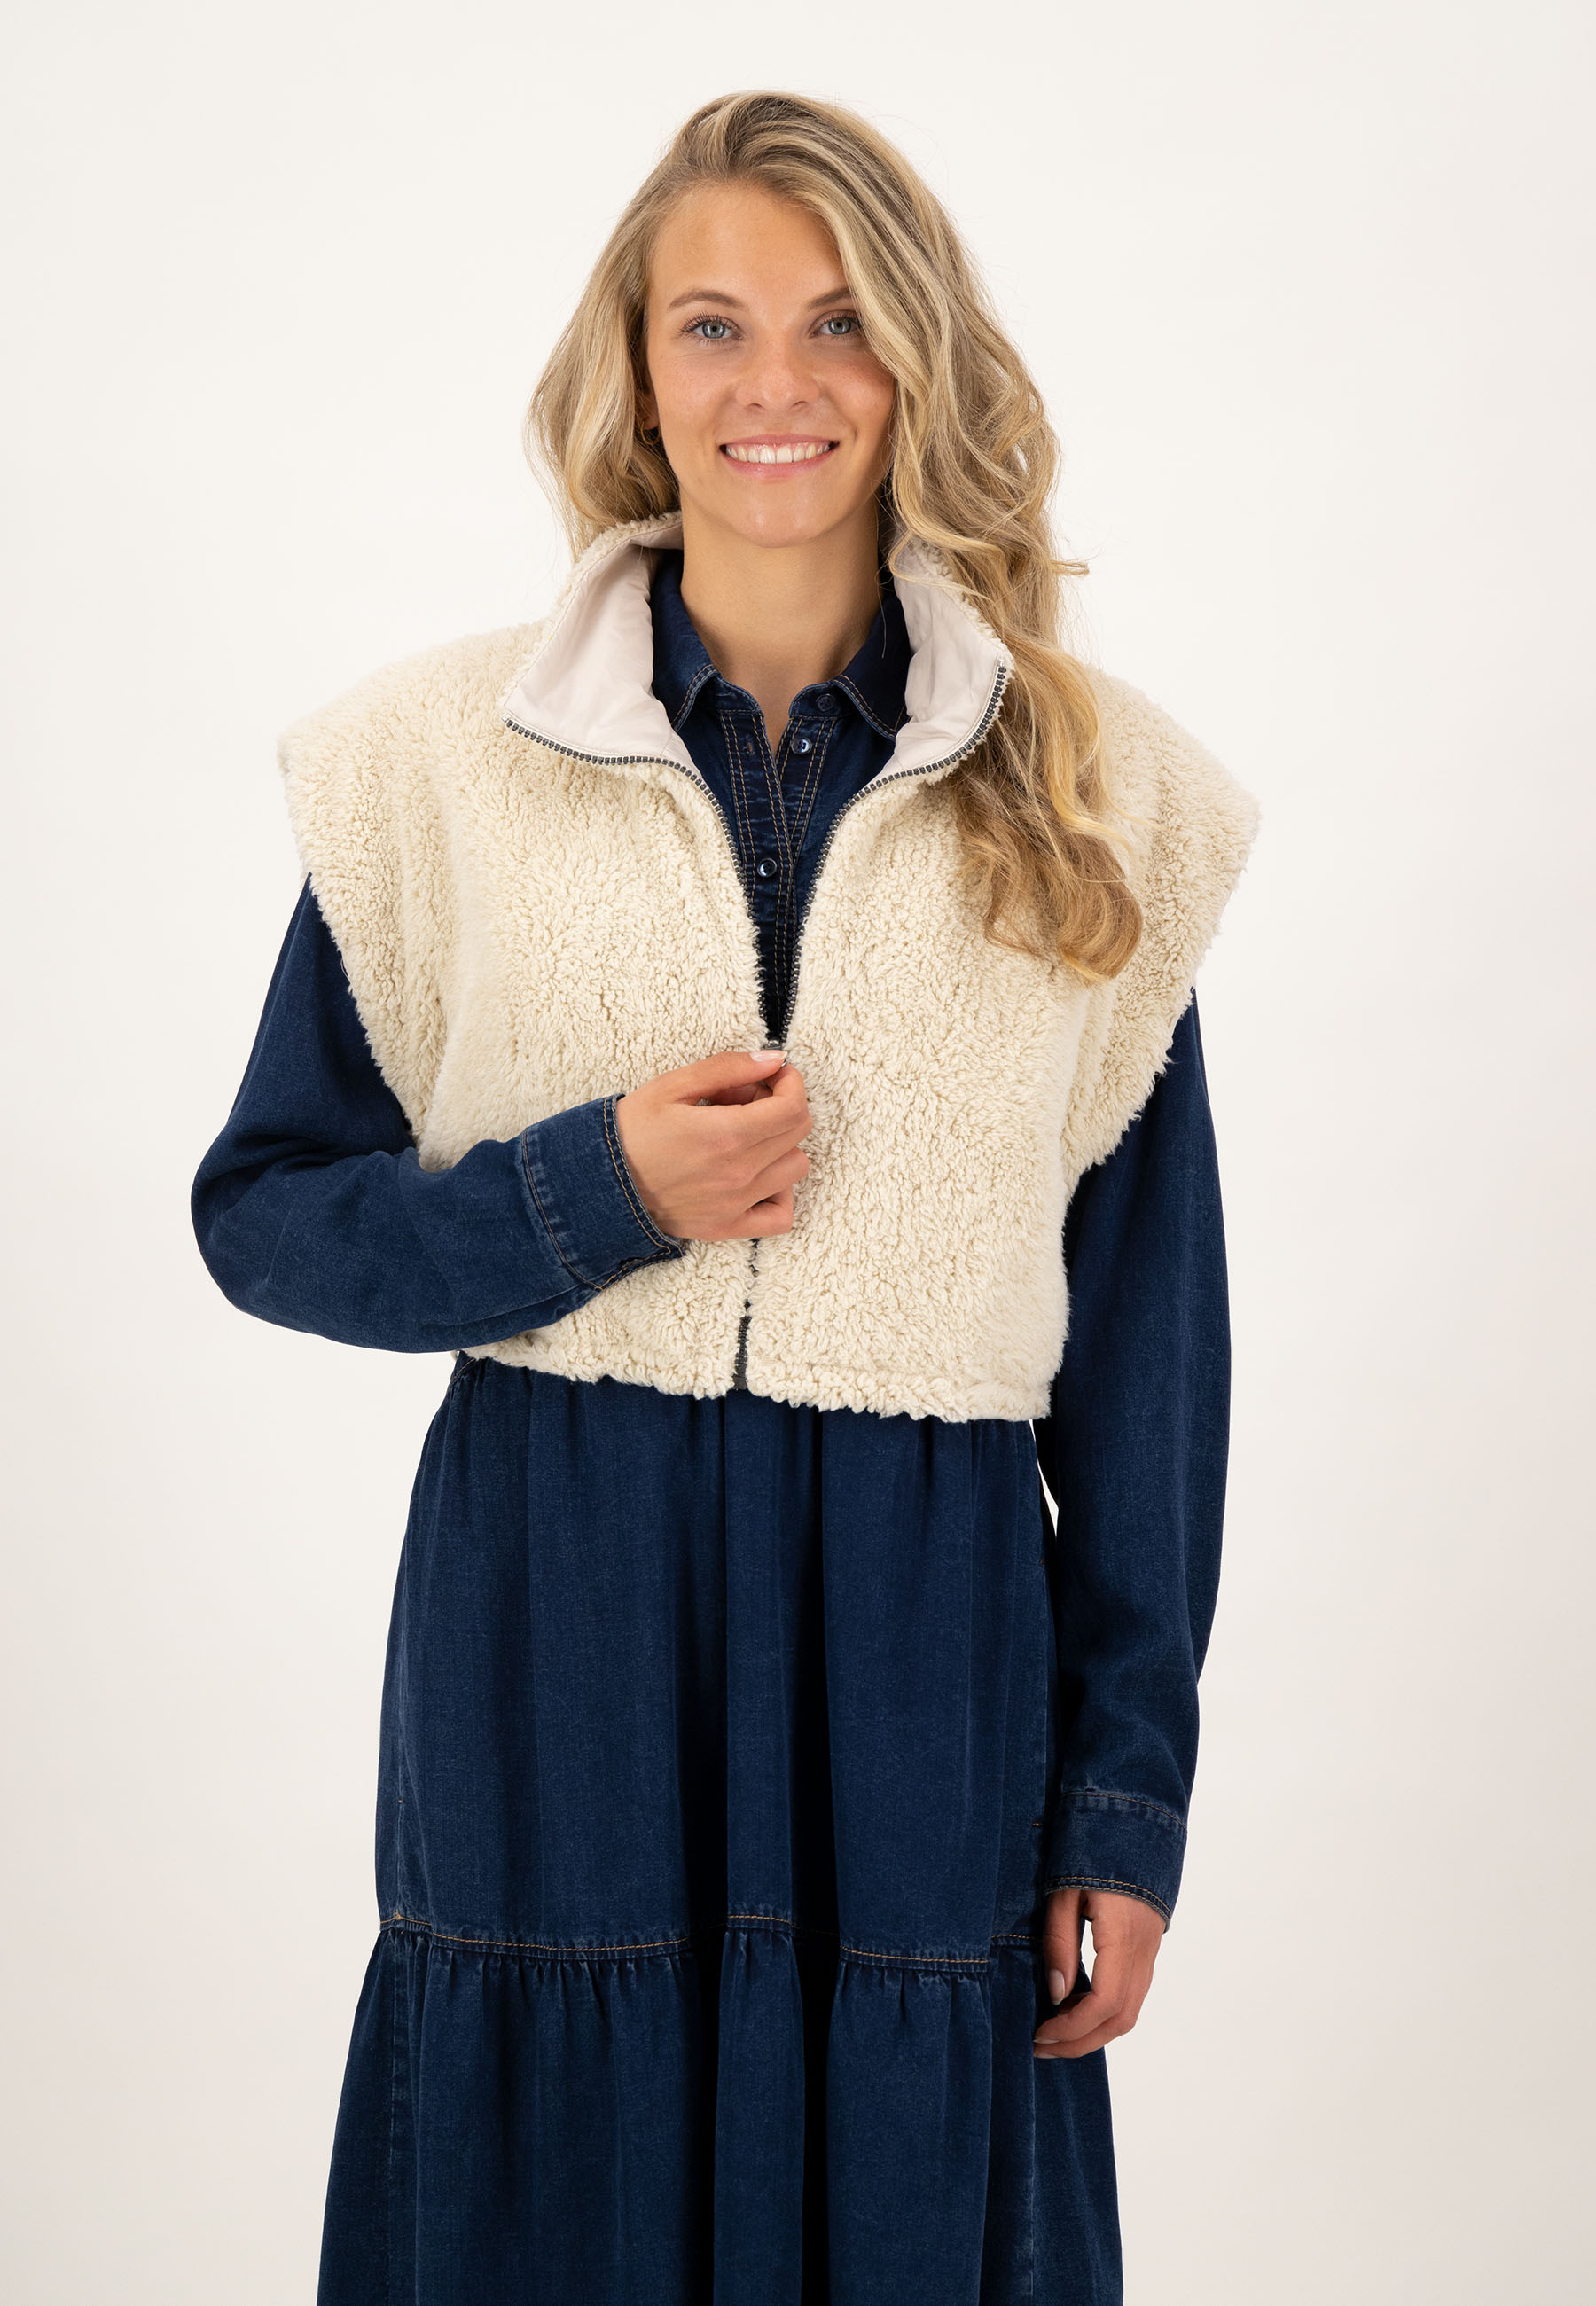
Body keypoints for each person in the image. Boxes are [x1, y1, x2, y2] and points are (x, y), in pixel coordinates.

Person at [192, 88, 1258, 2306]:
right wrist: (589, 1190)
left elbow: (1152, 1361)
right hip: (557, 1624)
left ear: (919, 361)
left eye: (841, 320)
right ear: (636, 366)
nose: (779, 381)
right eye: (714, 324)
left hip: (926, 1650)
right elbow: (268, 1207)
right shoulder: (433, 767)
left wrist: (1125, 1803)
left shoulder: (1091, 794)